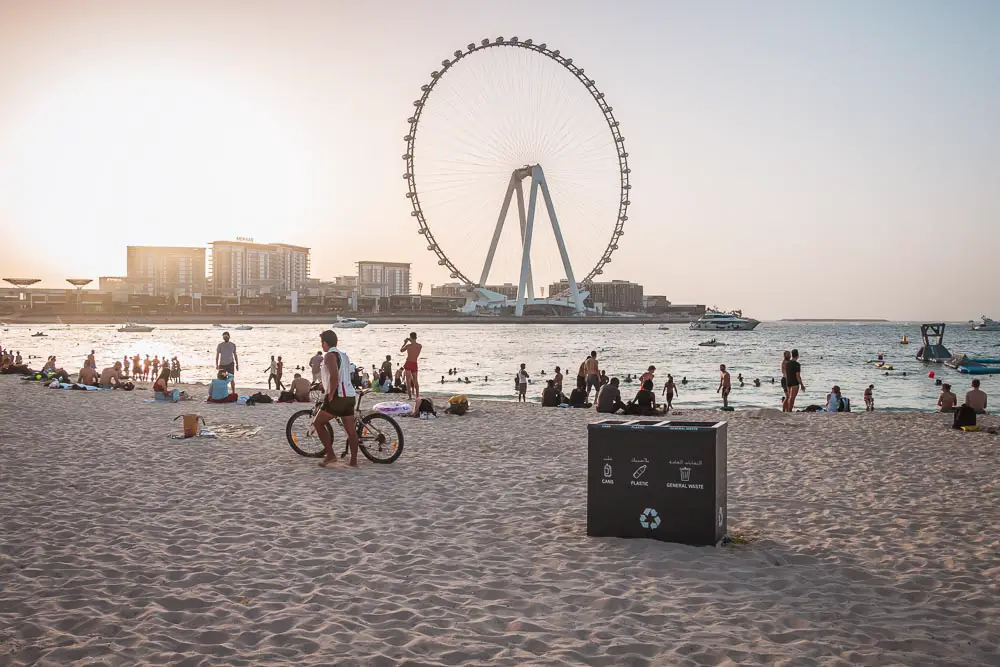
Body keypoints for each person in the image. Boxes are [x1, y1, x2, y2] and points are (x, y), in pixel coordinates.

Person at [315, 329, 361, 468]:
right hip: (349, 396)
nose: (321, 345)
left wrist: (330, 394)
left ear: (326, 343)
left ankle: (330, 455)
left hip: (338, 396)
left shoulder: (329, 355)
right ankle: (353, 461)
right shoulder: (344, 355)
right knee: (350, 431)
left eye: (322, 342)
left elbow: (334, 376)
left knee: (318, 423)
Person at [400, 332, 422, 400]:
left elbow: (401, 350)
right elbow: (414, 343)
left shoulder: (408, 346)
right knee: (416, 381)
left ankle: (410, 397)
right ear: (416, 337)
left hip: (409, 363)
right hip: (414, 363)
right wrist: (410, 340)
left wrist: (405, 342)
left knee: (408, 381)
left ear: (411, 337)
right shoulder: (419, 346)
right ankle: (417, 396)